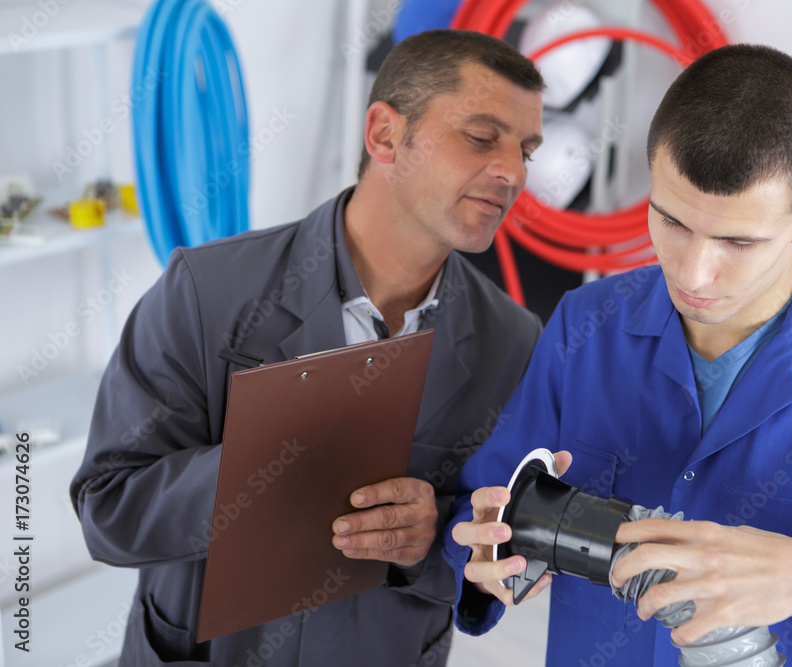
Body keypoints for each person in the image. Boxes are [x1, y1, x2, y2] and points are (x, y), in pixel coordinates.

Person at [446, 43, 792, 665]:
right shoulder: (587, 324)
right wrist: (479, 549)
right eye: (672, 222)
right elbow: (484, 502)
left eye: (737, 241)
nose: (693, 274)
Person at [70, 29, 545, 667]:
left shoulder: (513, 343)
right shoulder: (208, 291)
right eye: (482, 137)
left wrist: (433, 535)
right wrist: (265, 473)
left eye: (527, 151)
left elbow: (497, 551)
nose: (512, 173)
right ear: (384, 135)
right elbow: (109, 507)